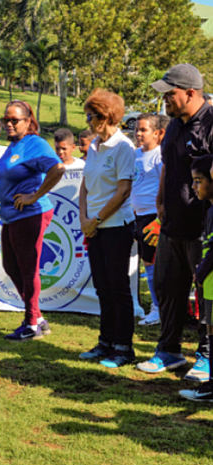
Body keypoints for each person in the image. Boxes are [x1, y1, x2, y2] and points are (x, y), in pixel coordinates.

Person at [137, 64, 213, 375]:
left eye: (170, 93)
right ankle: (168, 351)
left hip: (202, 228)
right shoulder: (174, 125)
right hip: (172, 224)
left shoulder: (210, 124)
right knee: (167, 287)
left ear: (191, 93)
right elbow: (168, 164)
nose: (164, 99)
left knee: (207, 295)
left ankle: (206, 356)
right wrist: (159, 198)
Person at [0, 100, 65, 340]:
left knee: (27, 268)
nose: (9, 124)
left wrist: (34, 195)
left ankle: (31, 323)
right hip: (11, 216)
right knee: (10, 267)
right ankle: (37, 316)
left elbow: (58, 168)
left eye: (15, 120)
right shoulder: (14, 145)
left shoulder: (34, 143)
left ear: (28, 121)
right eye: (6, 119)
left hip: (30, 214)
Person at [78, 88, 137, 368]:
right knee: (102, 286)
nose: (88, 120)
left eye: (91, 115)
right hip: (94, 227)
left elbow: (123, 191)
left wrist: (97, 219)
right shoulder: (93, 146)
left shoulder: (124, 147)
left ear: (105, 116)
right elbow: (85, 184)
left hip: (116, 226)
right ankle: (105, 342)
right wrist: (83, 219)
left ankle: (123, 347)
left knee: (117, 287)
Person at [179, 156, 213, 402]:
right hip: (209, 285)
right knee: (210, 331)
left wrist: (200, 272)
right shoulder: (209, 209)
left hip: (209, 280)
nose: (194, 187)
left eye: (199, 181)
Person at [132, 114, 165, 326]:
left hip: (153, 217)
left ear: (157, 133)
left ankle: (158, 308)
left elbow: (167, 188)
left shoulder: (160, 157)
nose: (138, 133)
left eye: (143, 130)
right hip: (136, 216)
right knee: (146, 263)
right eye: (136, 129)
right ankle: (155, 305)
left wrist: (160, 220)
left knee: (153, 265)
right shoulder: (135, 154)